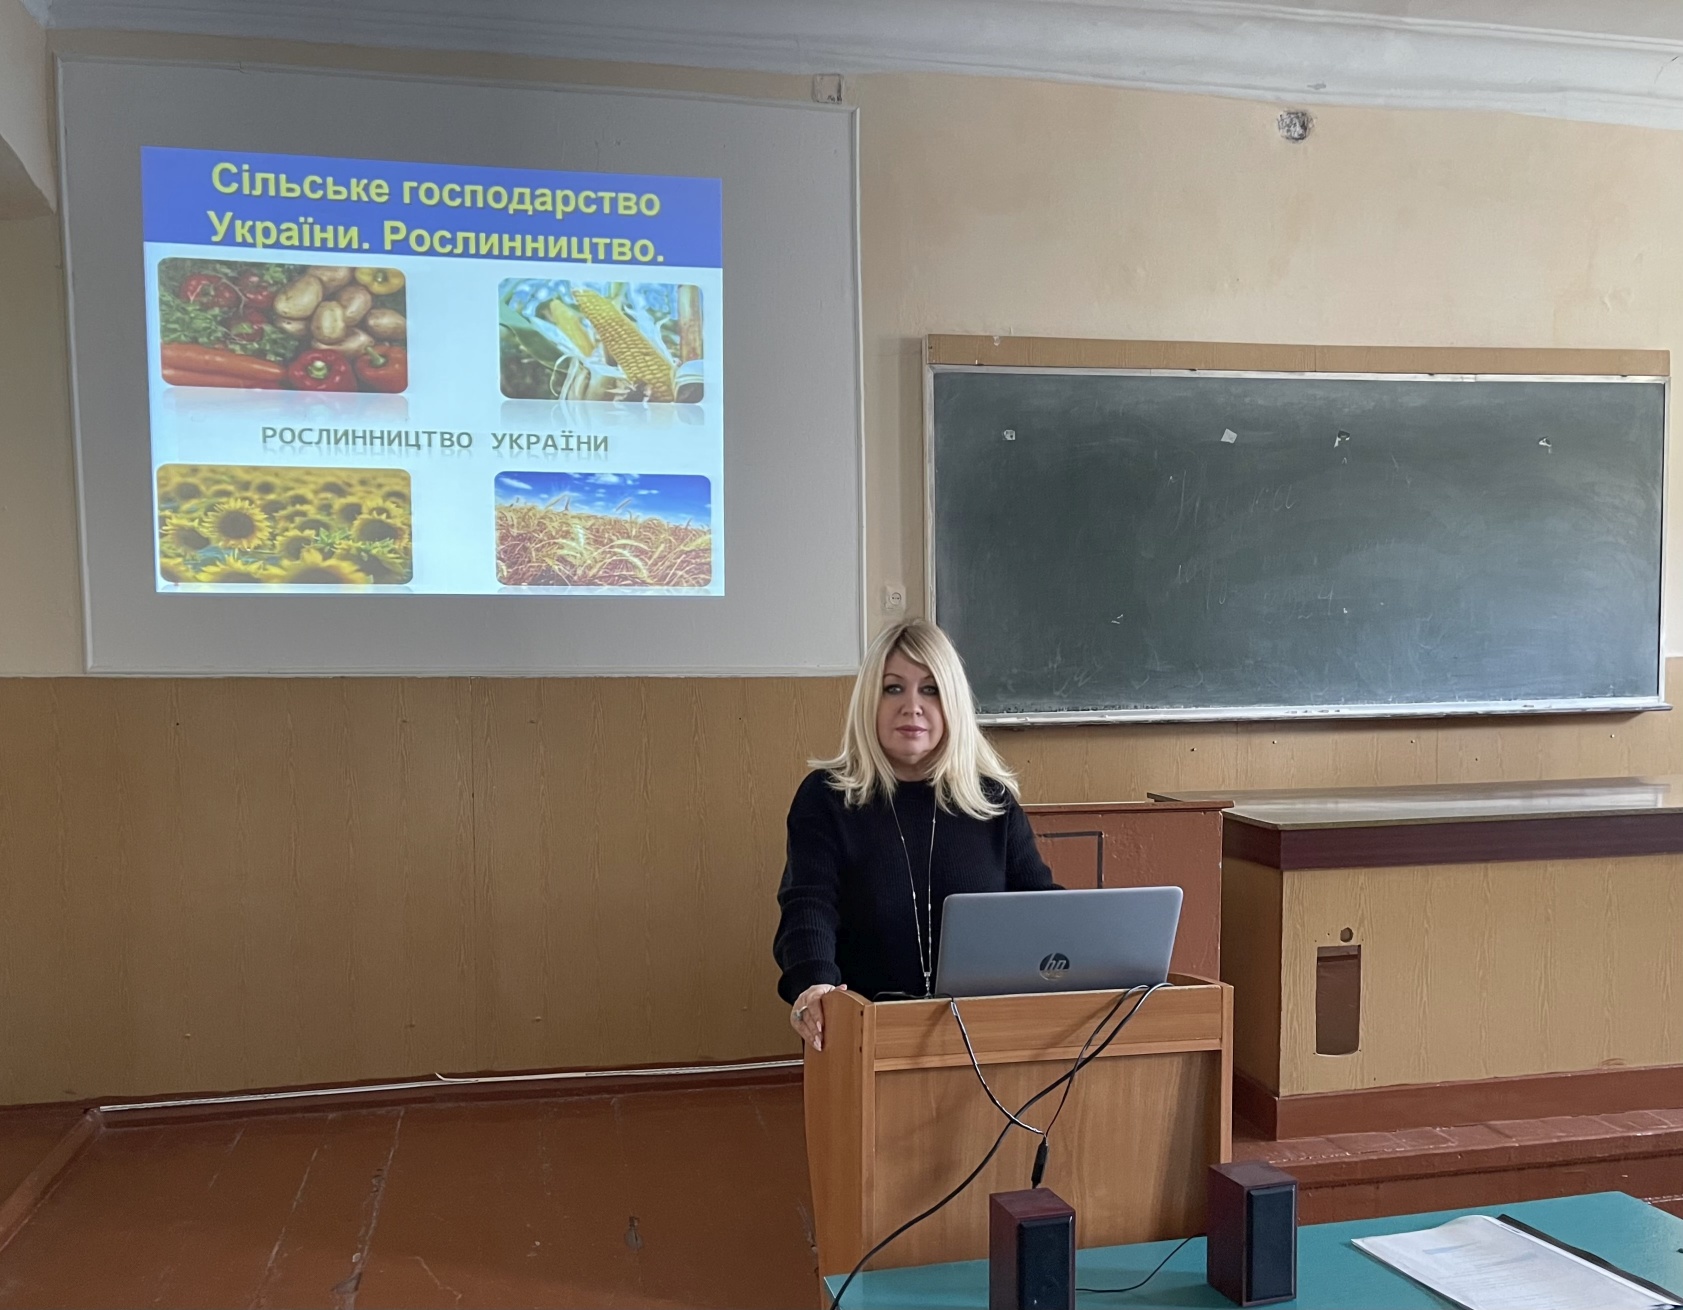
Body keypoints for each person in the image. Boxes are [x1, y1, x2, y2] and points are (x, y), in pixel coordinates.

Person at [774, 618, 1056, 1050]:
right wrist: (815, 983)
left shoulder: (991, 800)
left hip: (983, 1035)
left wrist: (1095, 954)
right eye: (893, 688)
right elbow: (808, 904)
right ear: (870, 701)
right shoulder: (826, 798)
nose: (912, 706)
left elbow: (1040, 906)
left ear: (952, 702)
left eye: (930, 689)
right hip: (864, 1034)